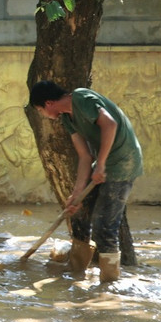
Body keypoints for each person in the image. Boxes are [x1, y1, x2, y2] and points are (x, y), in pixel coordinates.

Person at [30, 80, 143, 282]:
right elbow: (84, 156)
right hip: (102, 162)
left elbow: (110, 124)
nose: (44, 115)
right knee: (78, 214)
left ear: (48, 103)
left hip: (123, 162)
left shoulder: (81, 97)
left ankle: (109, 283)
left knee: (104, 226)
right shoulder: (67, 119)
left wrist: (101, 164)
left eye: (40, 110)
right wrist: (77, 194)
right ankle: (77, 272)